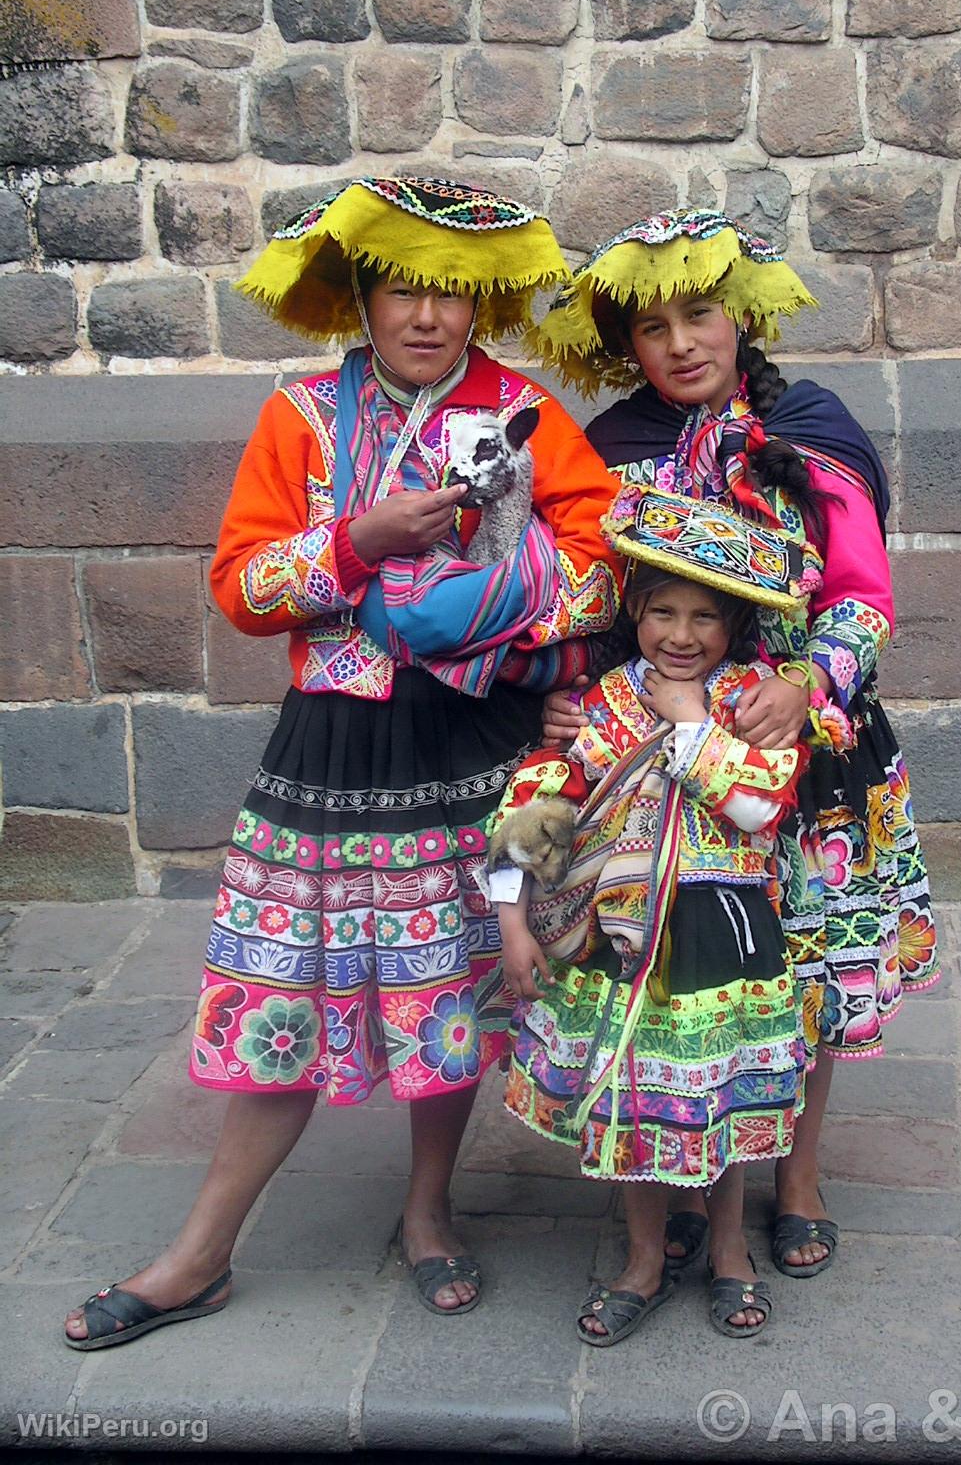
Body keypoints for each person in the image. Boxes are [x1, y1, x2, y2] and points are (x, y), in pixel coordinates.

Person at [64, 175, 622, 1348]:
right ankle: (203, 1249)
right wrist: (355, 545)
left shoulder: (526, 414)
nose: (426, 315)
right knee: (285, 985)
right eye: (400, 288)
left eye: (451, 294)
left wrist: (490, 602)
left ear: (478, 308)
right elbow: (241, 587)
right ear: (361, 297)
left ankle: (428, 1211)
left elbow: (603, 564)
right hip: (332, 746)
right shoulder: (302, 417)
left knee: (454, 985)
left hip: (474, 746)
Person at [531, 209, 941, 1282]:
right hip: (658, 762)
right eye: (653, 327)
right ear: (628, 346)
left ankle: (794, 1175)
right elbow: (588, 601)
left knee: (805, 965)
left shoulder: (811, 429)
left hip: (807, 753)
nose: (681, 343)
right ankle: (678, 1155)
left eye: (699, 313)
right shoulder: (611, 452)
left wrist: (806, 681)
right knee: (683, 970)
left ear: (739, 313)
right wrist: (575, 699)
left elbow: (860, 594)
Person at [488, 492, 813, 1341]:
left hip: (721, 936)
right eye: (663, 611)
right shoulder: (602, 704)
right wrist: (513, 922)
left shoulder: (756, 702)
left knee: (722, 1096)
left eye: (705, 617)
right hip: (627, 940)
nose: (681, 634)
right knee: (632, 1101)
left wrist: (692, 725)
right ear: (634, 610)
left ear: (733, 624)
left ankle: (731, 1250)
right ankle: (641, 1257)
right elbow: (545, 800)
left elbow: (757, 807)